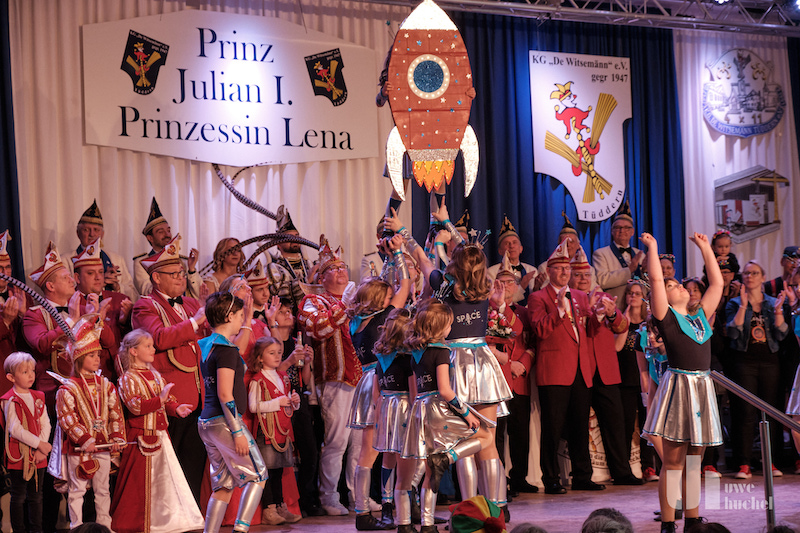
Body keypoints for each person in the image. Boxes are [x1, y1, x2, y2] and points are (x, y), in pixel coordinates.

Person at [425, 204, 512, 519]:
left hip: (454, 364)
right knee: (488, 440)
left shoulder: (443, 284)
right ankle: (498, 508)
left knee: (465, 439)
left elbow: (426, 261)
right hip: (482, 361)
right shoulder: (485, 284)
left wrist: (434, 238)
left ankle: (470, 508)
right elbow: (469, 255)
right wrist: (448, 223)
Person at [640, 231, 724, 533]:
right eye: (672, 285)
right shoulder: (668, 318)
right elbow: (655, 279)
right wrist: (653, 248)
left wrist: (705, 248)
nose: (678, 286)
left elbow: (717, 284)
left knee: (693, 463)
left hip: (701, 388)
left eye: (679, 284)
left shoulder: (699, 318)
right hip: (680, 389)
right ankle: (668, 522)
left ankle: (693, 519)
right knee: (674, 462)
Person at [131, 234, 208, 503]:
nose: (181, 278)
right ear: (156, 278)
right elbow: (159, 338)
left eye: (182, 273)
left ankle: (193, 518)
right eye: (174, 274)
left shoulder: (191, 304)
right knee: (169, 468)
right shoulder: (144, 305)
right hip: (170, 398)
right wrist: (194, 324)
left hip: (199, 397)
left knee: (194, 464)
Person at [403, 300, 490, 533]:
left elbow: (416, 391)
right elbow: (444, 389)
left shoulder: (416, 352)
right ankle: (448, 458)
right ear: (441, 327)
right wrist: (466, 413)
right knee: (485, 436)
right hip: (437, 408)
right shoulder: (441, 351)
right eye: (450, 324)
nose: (451, 328)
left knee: (430, 473)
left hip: (420, 409)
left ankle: (427, 524)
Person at [110, 329, 204, 533]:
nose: (153, 349)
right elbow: (135, 406)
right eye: (148, 346)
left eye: (152, 345)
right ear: (134, 351)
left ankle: (169, 520)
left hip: (161, 435)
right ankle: (138, 523)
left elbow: (166, 400)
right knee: (139, 482)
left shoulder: (156, 375)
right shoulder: (128, 378)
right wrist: (159, 400)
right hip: (140, 437)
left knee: (166, 480)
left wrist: (175, 408)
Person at [528, 239, 602, 495]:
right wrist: (559, 311)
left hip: (581, 369)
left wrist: (599, 315)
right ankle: (551, 478)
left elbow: (589, 331)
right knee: (553, 427)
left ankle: (582, 476)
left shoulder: (581, 296)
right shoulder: (538, 297)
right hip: (555, 370)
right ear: (549, 271)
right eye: (559, 268)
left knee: (581, 426)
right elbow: (540, 330)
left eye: (567, 268)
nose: (564, 272)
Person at [349, 243, 411, 530]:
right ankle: (363, 512)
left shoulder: (356, 321)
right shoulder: (384, 317)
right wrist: (398, 254)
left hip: (366, 380)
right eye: (387, 295)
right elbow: (406, 284)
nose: (392, 297)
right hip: (382, 382)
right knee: (374, 450)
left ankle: (377, 509)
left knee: (378, 449)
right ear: (380, 300)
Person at [298, 242, 363, 516]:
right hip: (335, 378)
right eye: (333, 269)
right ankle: (329, 496)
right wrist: (344, 305)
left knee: (361, 443)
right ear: (322, 277)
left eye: (343, 267)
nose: (341, 271)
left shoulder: (358, 298)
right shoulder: (313, 301)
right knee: (337, 442)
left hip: (362, 379)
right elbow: (317, 328)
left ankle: (358, 497)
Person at [570, 248, 643, 486]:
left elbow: (622, 326)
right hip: (580, 370)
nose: (583, 279)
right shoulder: (567, 299)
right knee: (578, 424)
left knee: (615, 423)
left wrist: (612, 314)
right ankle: (582, 476)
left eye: (586, 275)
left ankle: (622, 472)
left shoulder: (602, 297)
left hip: (606, 369)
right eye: (578, 275)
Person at [197, 291, 267, 533]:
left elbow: (236, 354)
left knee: (223, 485)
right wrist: (237, 431)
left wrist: (246, 321)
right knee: (258, 475)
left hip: (208, 422)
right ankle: (240, 530)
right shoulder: (225, 350)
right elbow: (225, 394)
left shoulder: (209, 346)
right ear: (228, 317)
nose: (241, 320)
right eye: (239, 316)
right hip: (225, 423)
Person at [56, 315, 127, 529]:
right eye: (92, 355)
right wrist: (85, 439)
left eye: (98, 355)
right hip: (79, 448)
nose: (97, 359)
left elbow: (115, 414)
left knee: (103, 490)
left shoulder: (106, 386)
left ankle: (105, 526)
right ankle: (76, 527)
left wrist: (116, 438)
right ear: (79, 358)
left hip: (103, 446)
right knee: (77, 490)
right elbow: (67, 418)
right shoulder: (68, 388)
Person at [725, 260, 789, 479]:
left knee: (771, 412)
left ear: (763, 277)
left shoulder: (773, 302)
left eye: (754, 273)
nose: (749, 276)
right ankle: (743, 463)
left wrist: (778, 311)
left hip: (770, 363)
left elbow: (781, 334)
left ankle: (771, 462)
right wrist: (743, 306)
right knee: (745, 413)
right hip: (745, 363)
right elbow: (733, 333)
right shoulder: (734, 303)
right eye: (746, 273)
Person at [490, 253, 537, 495]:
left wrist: (523, 364)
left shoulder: (524, 312)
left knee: (520, 431)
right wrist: (509, 365)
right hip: (498, 378)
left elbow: (532, 343)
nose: (506, 286)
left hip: (520, 379)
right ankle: (499, 482)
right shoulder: (490, 311)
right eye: (502, 282)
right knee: (497, 433)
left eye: (511, 282)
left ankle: (520, 477)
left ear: (518, 286)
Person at [246, 336, 302, 526]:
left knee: (278, 471)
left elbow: (287, 404)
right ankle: (268, 510)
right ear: (260, 357)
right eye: (272, 353)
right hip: (266, 432)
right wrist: (277, 402)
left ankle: (280, 506)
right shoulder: (257, 380)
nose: (277, 356)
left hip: (282, 431)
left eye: (279, 352)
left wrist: (294, 402)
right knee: (268, 471)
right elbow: (253, 406)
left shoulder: (283, 377)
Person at [372, 308, 416, 533]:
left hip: (386, 407)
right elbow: (414, 393)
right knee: (406, 458)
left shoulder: (381, 359)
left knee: (387, 458)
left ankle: (387, 507)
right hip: (404, 409)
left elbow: (375, 392)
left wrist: (379, 413)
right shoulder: (408, 360)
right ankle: (406, 507)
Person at [1, 351, 51, 533]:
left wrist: (42, 450)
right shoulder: (10, 400)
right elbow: (15, 429)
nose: (31, 375)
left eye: (32, 371)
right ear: (11, 377)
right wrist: (40, 444)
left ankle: (37, 530)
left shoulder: (38, 397)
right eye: (24, 372)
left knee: (36, 496)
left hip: (38, 456)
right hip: (19, 456)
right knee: (19, 496)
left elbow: (45, 423)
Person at [614, 281, 659, 482]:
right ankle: (623, 469)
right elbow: (616, 347)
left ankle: (648, 467)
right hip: (624, 379)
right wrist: (623, 318)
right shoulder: (620, 322)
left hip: (646, 380)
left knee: (646, 425)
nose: (633, 296)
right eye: (630, 293)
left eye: (638, 293)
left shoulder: (647, 324)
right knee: (624, 426)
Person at [72, 238, 132, 381]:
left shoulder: (119, 299)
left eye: (100, 271)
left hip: (120, 373)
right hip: (88, 375)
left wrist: (126, 322)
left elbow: (132, 340)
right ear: (77, 278)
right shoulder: (72, 305)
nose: (98, 277)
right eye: (90, 273)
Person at [67, 200, 137, 300]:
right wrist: (100, 282)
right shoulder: (65, 260)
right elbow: (61, 294)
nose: (92, 234)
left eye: (96, 230)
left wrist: (117, 287)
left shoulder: (117, 259)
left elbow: (134, 296)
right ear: (78, 233)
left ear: (102, 234)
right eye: (86, 230)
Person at [132, 197, 202, 297]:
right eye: (161, 232)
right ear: (150, 238)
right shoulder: (142, 262)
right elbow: (147, 291)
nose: (167, 234)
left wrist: (191, 270)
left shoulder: (184, 261)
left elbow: (200, 294)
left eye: (168, 230)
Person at [593, 201, 645, 305]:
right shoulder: (601, 254)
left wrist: (645, 271)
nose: (622, 230)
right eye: (618, 227)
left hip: (640, 308)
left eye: (626, 228)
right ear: (612, 231)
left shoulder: (640, 254)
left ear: (632, 232)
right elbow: (602, 281)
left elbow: (647, 284)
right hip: (615, 306)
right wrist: (629, 270)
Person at [0, 230, 30, 398]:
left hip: (23, 375)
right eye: (0, 268)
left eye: (8, 267)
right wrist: (4, 322)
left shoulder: (21, 294)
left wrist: (24, 315)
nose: (5, 273)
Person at [267, 206, 310, 313]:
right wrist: (306, 280)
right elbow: (275, 294)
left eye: (296, 236)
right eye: (289, 237)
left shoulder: (309, 264)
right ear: (278, 243)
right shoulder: (273, 268)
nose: (294, 239)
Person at [486, 215, 539, 304]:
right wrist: (522, 286)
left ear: (521, 249)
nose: (511, 246)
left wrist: (537, 289)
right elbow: (494, 300)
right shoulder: (492, 272)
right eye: (507, 243)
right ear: (500, 251)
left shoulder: (531, 270)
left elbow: (535, 300)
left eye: (514, 242)